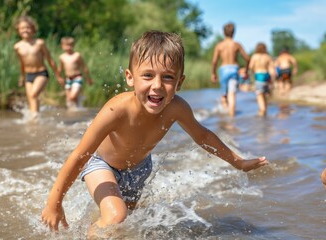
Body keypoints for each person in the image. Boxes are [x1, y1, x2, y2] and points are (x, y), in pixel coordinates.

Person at [41, 30, 268, 237]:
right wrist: (54, 202)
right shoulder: (116, 109)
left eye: (168, 77)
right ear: (130, 77)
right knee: (116, 217)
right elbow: (80, 153)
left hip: (139, 169)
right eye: (147, 76)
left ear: (179, 82)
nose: (157, 85)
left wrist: (238, 162)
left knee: (126, 223)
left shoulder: (177, 108)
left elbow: (203, 137)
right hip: (101, 164)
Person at [14, 16, 63, 119]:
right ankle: (35, 119)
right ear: (18, 30)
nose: (25, 30)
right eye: (22, 28)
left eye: (28, 27)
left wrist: (58, 76)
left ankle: (35, 118)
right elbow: (22, 64)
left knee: (33, 94)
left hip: (41, 73)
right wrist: (22, 77)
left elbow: (50, 60)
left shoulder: (39, 43)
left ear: (33, 29)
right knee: (31, 98)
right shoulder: (17, 46)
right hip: (28, 75)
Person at [211, 22, 250, 117]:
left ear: (223, 32)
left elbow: (214, 61)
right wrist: (246, 70)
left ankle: (225, 114)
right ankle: (232, 118)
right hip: (234, 69)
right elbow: (247, 58)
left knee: (224, 95)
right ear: (233, 32)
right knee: (232, 94)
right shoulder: (237, 44)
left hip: (223, 69)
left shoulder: (219, 45)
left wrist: (213, 73)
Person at [59, 37, 94, 110]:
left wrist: (88, 79)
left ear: (73, 46)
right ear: (62, 46)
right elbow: (61, 68)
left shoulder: (77, 55)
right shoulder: (62, 57)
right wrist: (59, 77)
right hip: (68, 79)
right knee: (69, 99)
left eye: (70, 45)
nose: (68, 47)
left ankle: (77, 105)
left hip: (77, 77)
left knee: (72, 96)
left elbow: (84, 67)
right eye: (66, 45)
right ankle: (75, 110)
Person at [249, 42, 275, 116]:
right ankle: (265, 111)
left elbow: (251, 67)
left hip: (259, 76)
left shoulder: (254, 56)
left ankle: (262, 112)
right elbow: (272, 69)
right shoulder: (267, 56)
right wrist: (272, 81)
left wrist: (251, 77)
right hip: (266, 76)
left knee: (259, 95)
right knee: (264, 95)